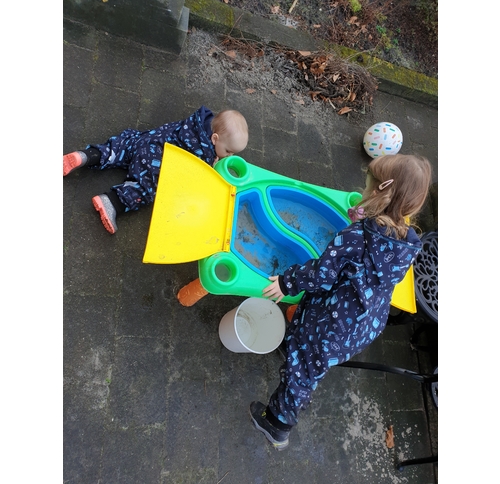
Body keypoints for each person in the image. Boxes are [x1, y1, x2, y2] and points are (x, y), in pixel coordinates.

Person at [251, 153, 432, 451]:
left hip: (331, 325)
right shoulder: (408, 244)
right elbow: (376, 266)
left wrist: (287, 282)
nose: (363, 188)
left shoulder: (355, 238)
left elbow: (320, 274)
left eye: (368, 184)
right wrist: (365, 218)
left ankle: (277, 423)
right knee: (310, 359)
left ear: (380, 191)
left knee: (302, 374)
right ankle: (293, 348)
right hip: (363, 325)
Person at [63, 106, 249, 234]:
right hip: (153, 161)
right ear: (214, 138)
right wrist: (211, 166)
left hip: (148, 140)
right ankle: (112, 202)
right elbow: (194, 178)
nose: (229, 155)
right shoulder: (204, 154)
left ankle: (86, 155)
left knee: (120, 148)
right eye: (228, 151)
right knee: (147, 188)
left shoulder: (197, 123)